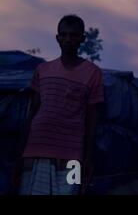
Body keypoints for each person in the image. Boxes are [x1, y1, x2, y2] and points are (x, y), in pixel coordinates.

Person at [13, 15, 104, 195]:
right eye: (64, 35)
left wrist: (88, 158)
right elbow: (33, 111)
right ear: (57, 38)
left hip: (71, 154)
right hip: (35, 149)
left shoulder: (93, 73)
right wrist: (19, 154)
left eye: (74, 35)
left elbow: (93, 118)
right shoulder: (43, 70)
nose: (68, 39)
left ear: (82, 39)